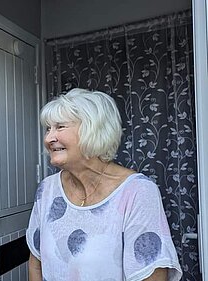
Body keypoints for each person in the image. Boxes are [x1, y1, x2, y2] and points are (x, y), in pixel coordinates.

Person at [26, 88, 182, 281]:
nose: (49, 138)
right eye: (48, 129)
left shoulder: (137, 192)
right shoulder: (47, 189)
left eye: (60, 127)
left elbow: (151, 277)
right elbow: (36, 263)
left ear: (92, 130)